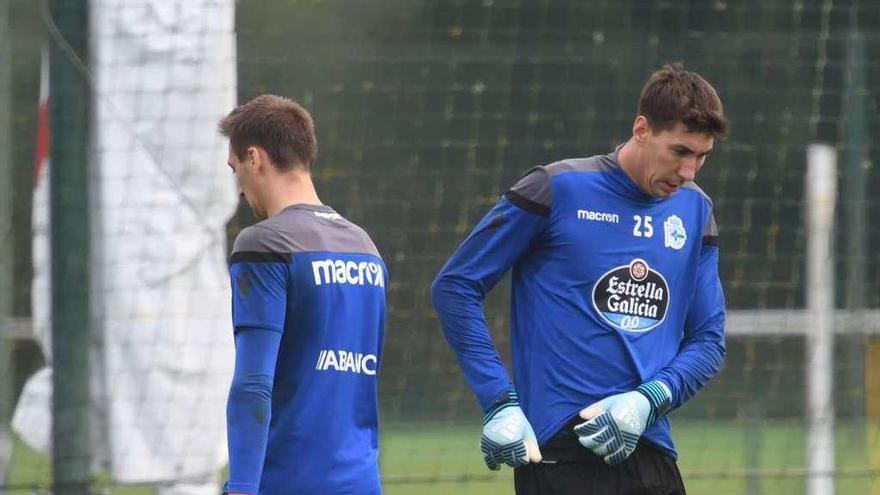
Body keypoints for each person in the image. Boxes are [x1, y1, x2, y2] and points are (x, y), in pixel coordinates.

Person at [431, 64, 728, 495]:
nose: (689, 172)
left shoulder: (696, 211)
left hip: (649, 450)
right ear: (641, 129)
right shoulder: (556, 189)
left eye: (701, 156)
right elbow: (456, 287)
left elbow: (708, 340)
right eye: (680, 151)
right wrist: (499, 402)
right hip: (559, 455)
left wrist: (648, 401)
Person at [219, 95, 387, 495]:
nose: (239, 189)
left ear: (255, 158)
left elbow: (254, 384)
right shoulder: (365, 248)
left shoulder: (264, 244)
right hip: (362, 482)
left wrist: (242, 488)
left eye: (235, 168)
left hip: (289, 482)